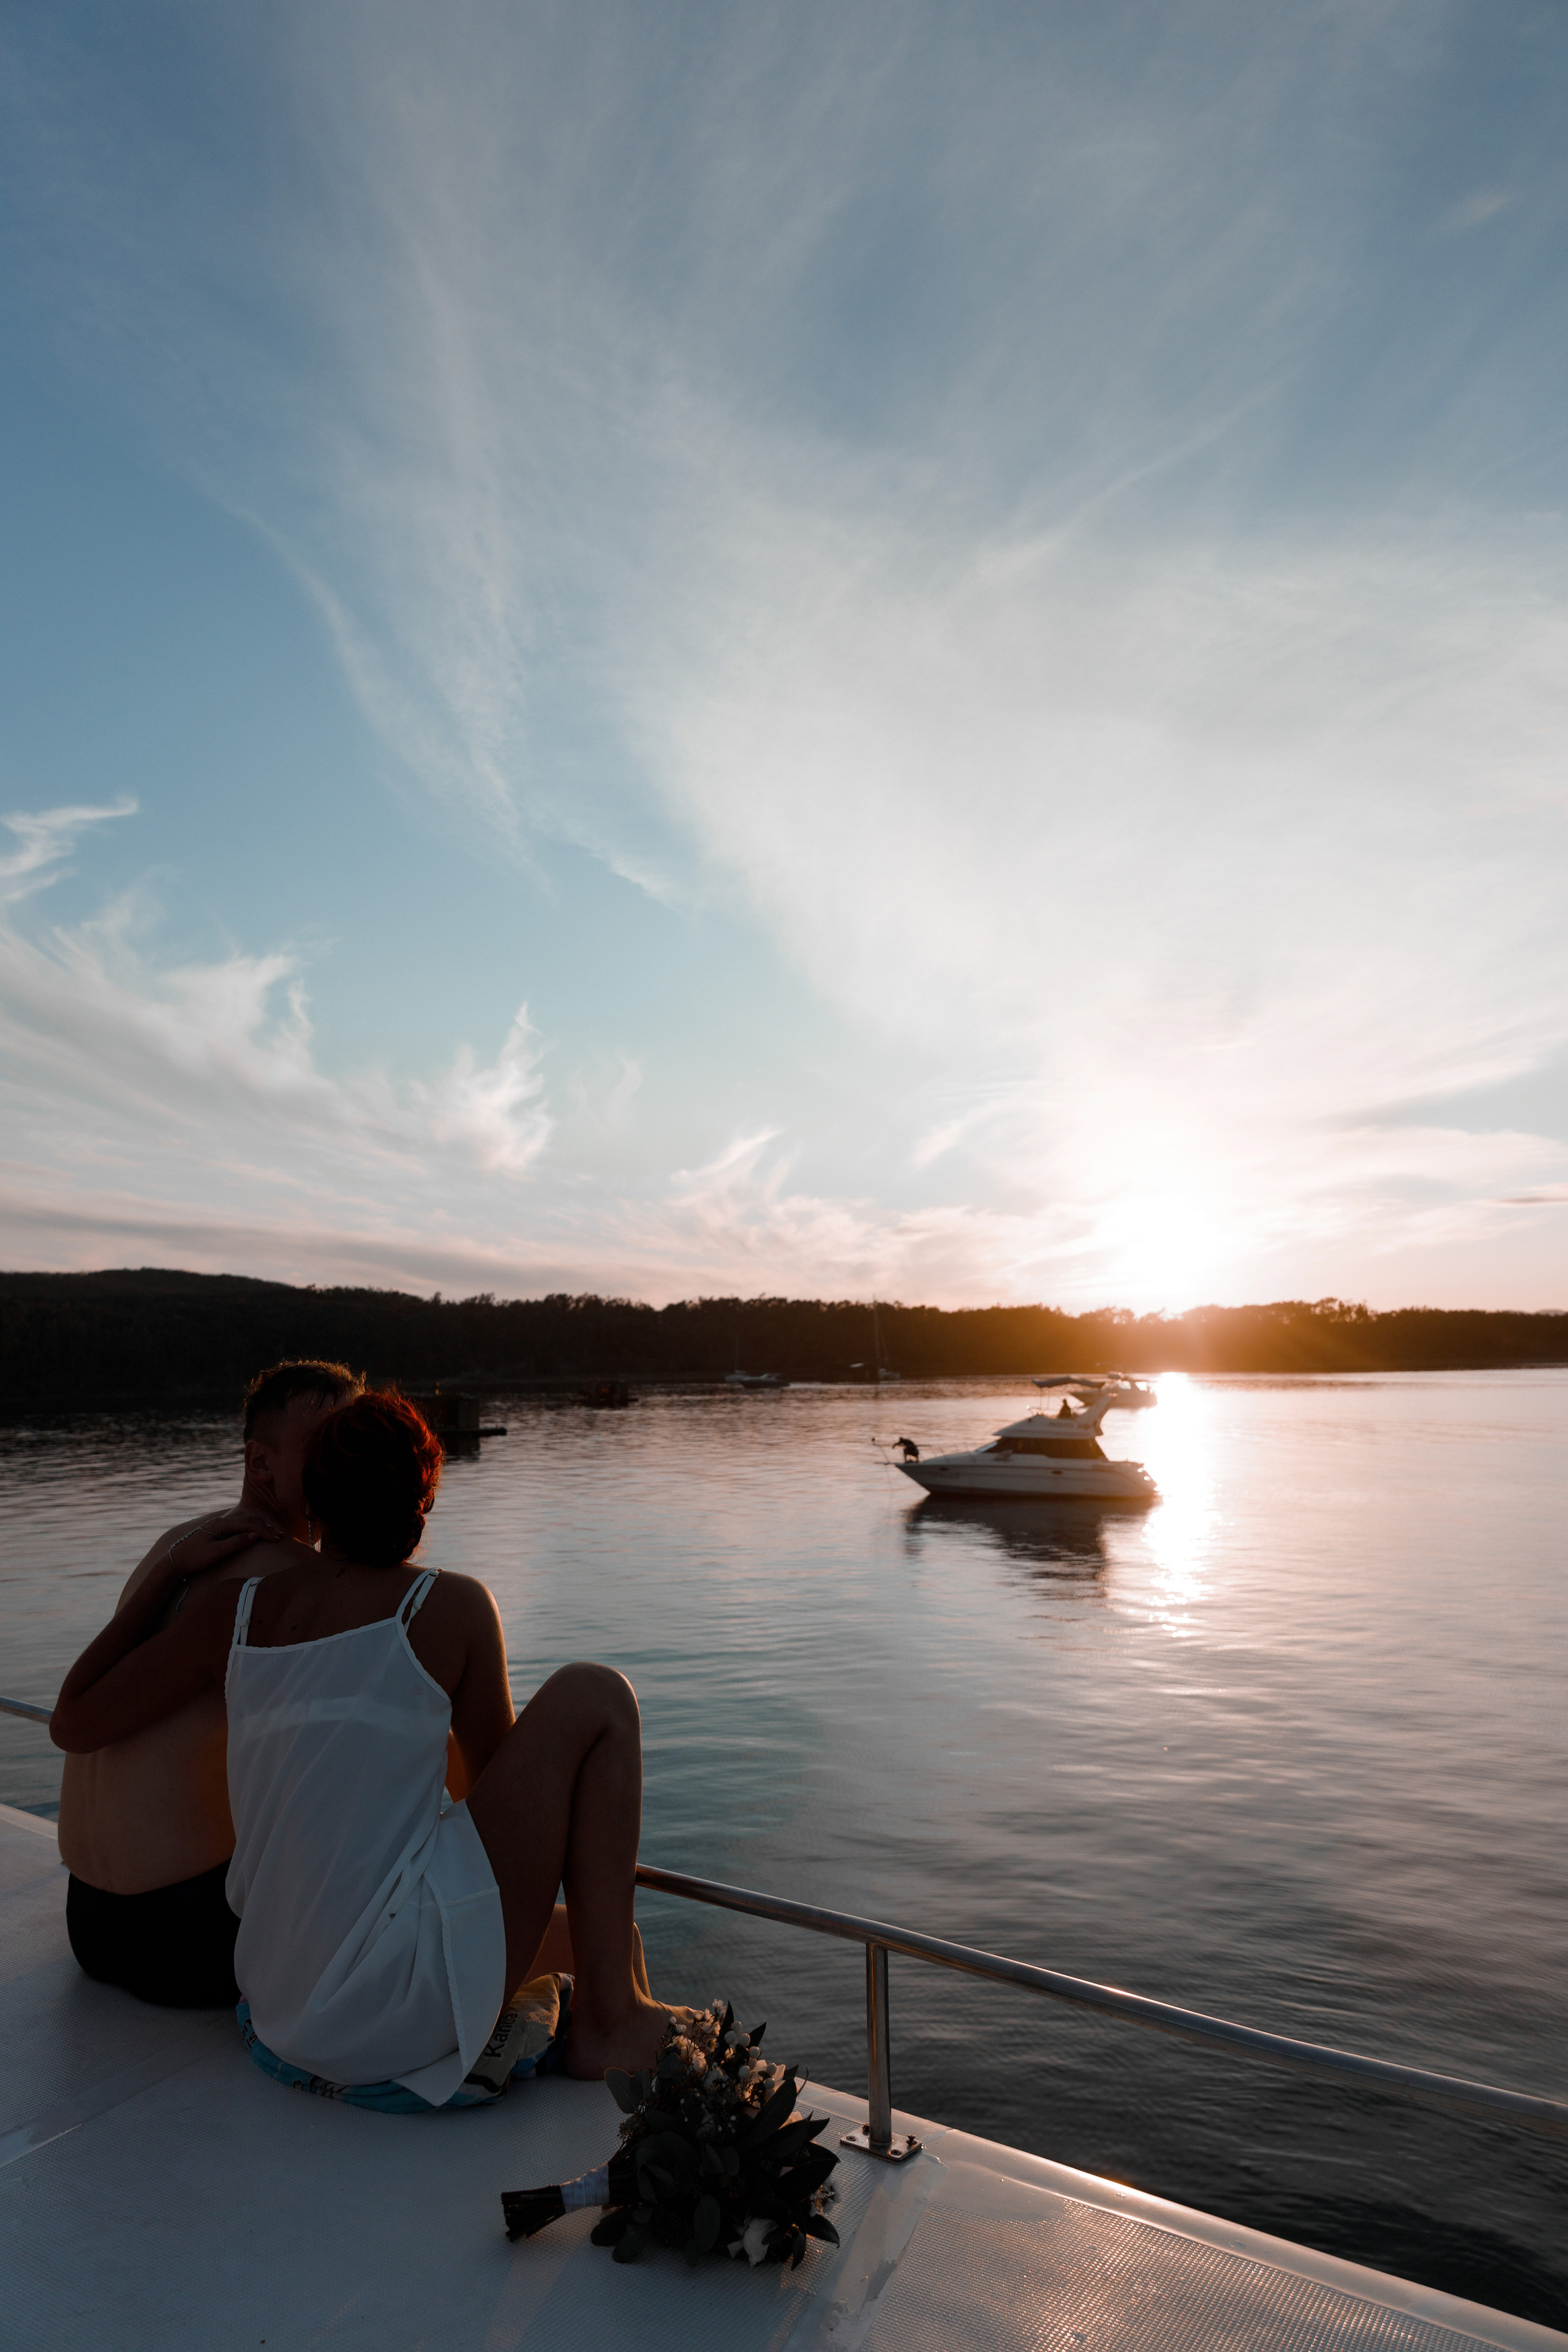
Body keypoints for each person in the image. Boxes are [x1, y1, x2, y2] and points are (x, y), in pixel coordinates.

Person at [51, 1391, 673, 2096]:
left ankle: (614, 2008)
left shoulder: (234, 1609)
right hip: (389, 2017)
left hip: (279, 2008)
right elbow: (499, 1799)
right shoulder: (454, 1607)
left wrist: (171, 1568)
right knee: (597, 1694)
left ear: (313, 1501)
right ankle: (611, 2021)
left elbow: (70, 1717)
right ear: (424, 1495)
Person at [57, 1359, 361, 2007]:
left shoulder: (180, 1544)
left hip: (88, 1921)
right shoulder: (290, 1579)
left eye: (353, 1446)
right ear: (260, 1466)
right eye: (324, 1450)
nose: (347, 1467)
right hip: (185, 1934)